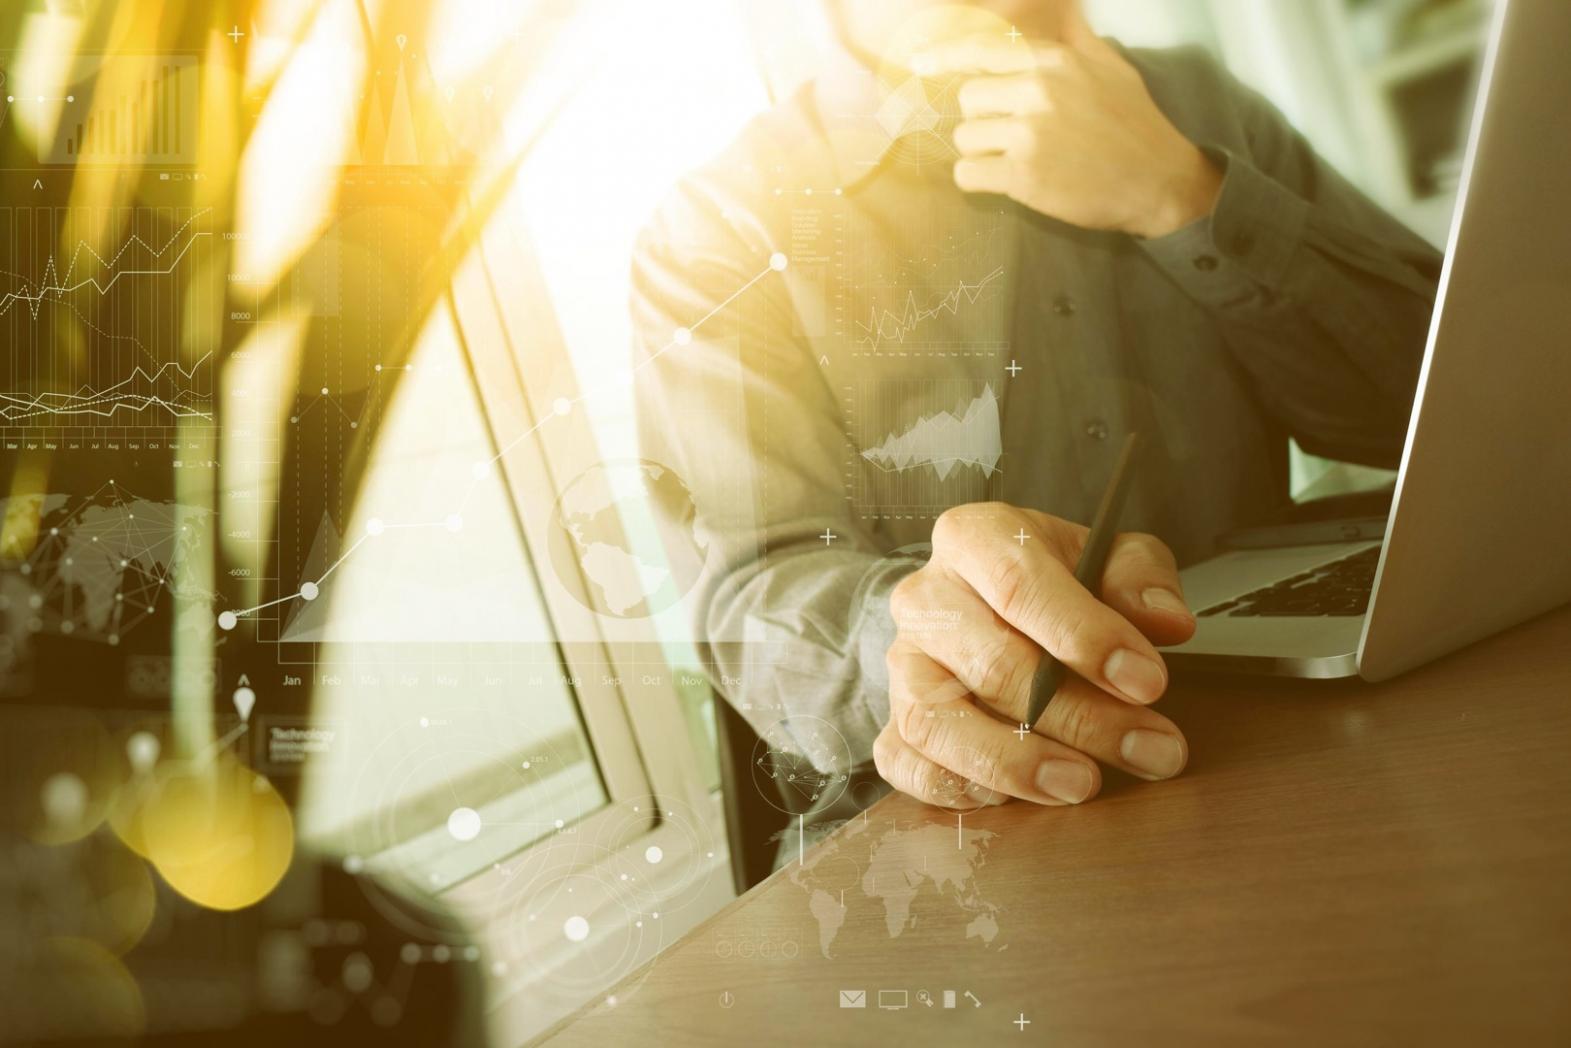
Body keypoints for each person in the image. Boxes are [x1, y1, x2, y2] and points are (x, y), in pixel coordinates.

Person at [630, 0, 1439, 821]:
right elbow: (753, 602)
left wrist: (1183, 194)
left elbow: (1435, 412)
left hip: (1292, 743)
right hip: (981, 828)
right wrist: (920, 640)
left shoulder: (1191, 102)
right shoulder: (718, 231)